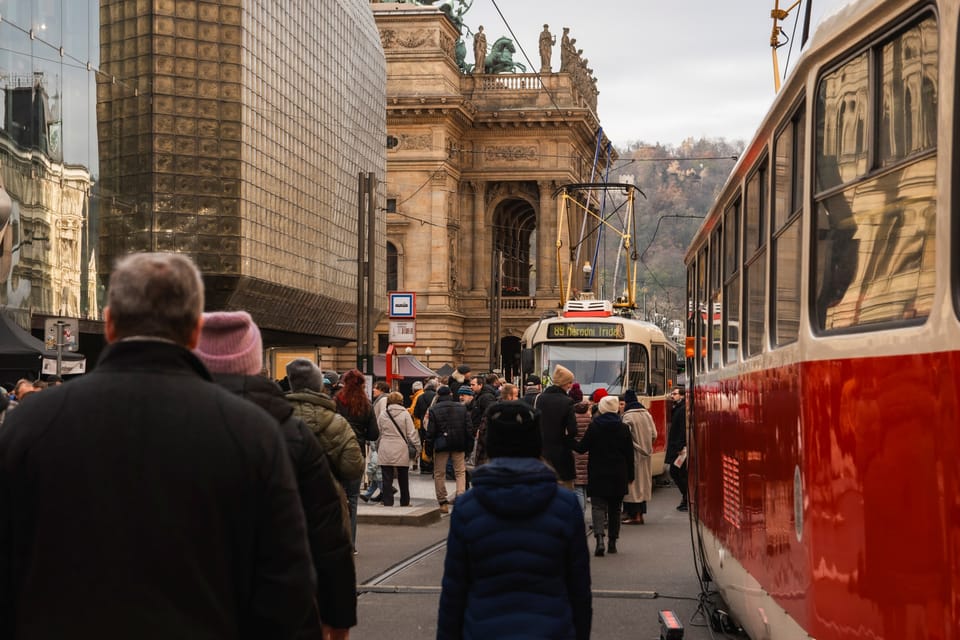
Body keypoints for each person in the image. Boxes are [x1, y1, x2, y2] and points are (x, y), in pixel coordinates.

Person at [0, 252, 315, 638]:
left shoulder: (31, 423)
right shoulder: (252, 433)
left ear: (111, 324)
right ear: (195, 333)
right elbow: (286, 591)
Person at [195, 310, 357, 638]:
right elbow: (327, 535)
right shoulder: (290, 431)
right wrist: (337, 614)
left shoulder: (170, 425)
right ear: (255, 363)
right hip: (279, 609)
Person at [437, 400, 591, 640]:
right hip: (551, 630)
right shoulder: (565, 505)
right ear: (536, 444)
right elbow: (579, 589)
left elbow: (454, 592)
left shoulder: (468, 507)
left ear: (492, 446)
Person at [284, 358, 364, 486]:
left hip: (286, 497)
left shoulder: (275, 420)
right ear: (319, 385)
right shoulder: (339, 423)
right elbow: (353, 469)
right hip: (327, 495)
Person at [574, 395, 634, 557]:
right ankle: (612, 542)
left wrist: (568, 440)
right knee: (615, 509)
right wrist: (631, 475)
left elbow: (581, 448)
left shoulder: (594, 427)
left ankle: (599, 538)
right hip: (618, 473)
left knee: (598, 507)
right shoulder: (623, 428)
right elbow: (630, 454)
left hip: (598, 472)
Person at [335, 369, 380, 551]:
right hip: (356, 453)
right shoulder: (366, 405)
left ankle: (336, 541)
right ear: (362, 385)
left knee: (335, 499)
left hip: (336, 452)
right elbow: (374, 433)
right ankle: (351, 544)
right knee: (352, 499)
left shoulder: (336, 402)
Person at [424, 385, 471, 513]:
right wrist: (469, 448)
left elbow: (430, 433)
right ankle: (460, 496)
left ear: (438, 395)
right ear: (451, 393)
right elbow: (469, 430)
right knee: (460, 472)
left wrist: (428, 450)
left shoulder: (434, 409)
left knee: (439, 473)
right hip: (459, 443)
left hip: (441, 445)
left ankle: (442, 501)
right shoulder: (461, 408)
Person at [535, 364, 578, 489]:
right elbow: (573, 430)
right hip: (561, 454)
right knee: (565, 491)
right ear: (565, 383)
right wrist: (567, 440)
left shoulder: (539, 398)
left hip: (542, 453)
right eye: (570, 382)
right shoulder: (567, 401)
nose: (570, 385)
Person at [620, 389, 657, 525]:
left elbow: (625, 437)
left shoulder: (627, 417)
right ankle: (641, 514)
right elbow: (654, 434)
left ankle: (633, 516)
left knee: (633, 486)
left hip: (633, 454)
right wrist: (647, 445)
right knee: (643, 486)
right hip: (646, 456)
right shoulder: (647, 414)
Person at [377, 391, 419, 507]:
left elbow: (378, 431)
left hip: (385, 446)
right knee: (403, 476)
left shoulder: (383, 414)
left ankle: (387, 501)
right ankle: (405, 501)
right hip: (401, 447)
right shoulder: (405, 414)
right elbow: (411, 434)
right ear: (401, 401)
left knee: (387, 477)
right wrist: (418, 447)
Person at [570, 383, 592, 511]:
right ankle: (583, 509)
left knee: (578, 486)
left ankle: (581, 512)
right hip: (587, 453)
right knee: (584, 486)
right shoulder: (589, 416)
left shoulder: (572, 417)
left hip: (575, 453)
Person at [666, 387, 689, 511]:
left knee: (676, 472)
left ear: (682, 395)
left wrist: (680, 445)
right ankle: (686, 497)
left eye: (675, 394)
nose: (672, 396)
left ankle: (686, 497)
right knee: (678, 472)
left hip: (680, 447)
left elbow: (681, 429)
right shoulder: (678, 408)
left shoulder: (681, 409)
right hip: (678, 445)